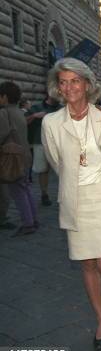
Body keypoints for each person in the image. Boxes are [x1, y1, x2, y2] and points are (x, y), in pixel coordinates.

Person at [41, 58, 101, 351]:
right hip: (76, 199)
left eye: (75, 81)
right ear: (58, 87)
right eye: (63, 82)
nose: (69, 87)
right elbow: (57, 163)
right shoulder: (51, 123)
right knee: (88, 264)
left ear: (87, 84)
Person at [0, 82, 37, 237]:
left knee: (18, 192)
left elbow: (1, 134)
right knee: (25, 189)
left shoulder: (4, 113)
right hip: (24, 155)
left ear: (5, 97)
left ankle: (28, 223)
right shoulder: (19, 112)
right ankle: (33, 220)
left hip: (12, 158)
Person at [26, 93, 61, 206]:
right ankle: (44, 194)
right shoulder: (36, 107)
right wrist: (35, 116)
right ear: (50, 94)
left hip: (59, 144)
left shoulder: (62, 108)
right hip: (40, 143)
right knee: (43, 170)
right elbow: (24, 121)